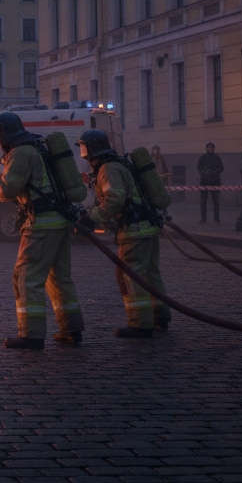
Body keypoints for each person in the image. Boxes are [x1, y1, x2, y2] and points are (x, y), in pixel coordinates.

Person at [0, 112, 84, 350]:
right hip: (59, 221)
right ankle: (71, 329)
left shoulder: (20, 153)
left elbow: (8, 189)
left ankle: (31, 335)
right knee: (59, 278)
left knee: (26, 278)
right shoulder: (36, 148)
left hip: (41, 225)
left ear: (2, 133)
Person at [77, 129, 170, 338]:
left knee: (130, 276)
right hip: (147, 226)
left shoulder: (108, 169)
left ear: (91, 149)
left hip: (134, 230)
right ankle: (159, 316)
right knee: (150, 274)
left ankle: (140, 323)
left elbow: (114, 199)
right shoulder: (118, 163)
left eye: (84, 149)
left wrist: (93, 217)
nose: (84, 155)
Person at [197, 143, 223, 224]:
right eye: (209, 147)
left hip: (215, 181)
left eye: (212, 147)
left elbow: (222, 167)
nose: (210, 149)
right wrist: (203, 172)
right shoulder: (203, 157)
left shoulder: (217, 158)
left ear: (214, 149)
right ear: (206, 148)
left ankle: (217, 219)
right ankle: (203, 219)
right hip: (204, 181)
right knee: (203, 202)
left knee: (216, 202)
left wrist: (217, 171)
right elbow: (199, 167)